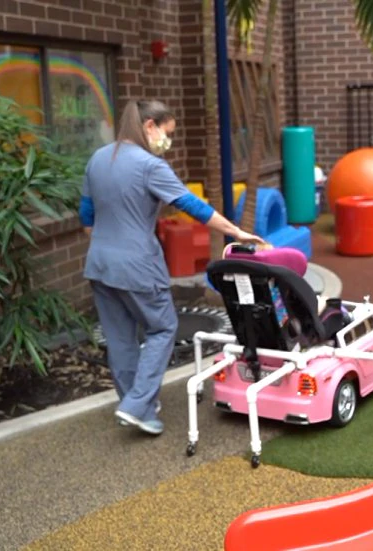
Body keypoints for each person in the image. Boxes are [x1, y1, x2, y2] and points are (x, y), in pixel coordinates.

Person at [79, 100, 265, 435]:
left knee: (119, 338)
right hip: (137, 265)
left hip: (100, 264)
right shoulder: (150, 166)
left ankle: (139, 405)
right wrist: (235, 232)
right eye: (167, 133)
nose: (168, 142)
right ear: (150, 126)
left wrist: (108, 244)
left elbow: (86, 218)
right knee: (162, 328)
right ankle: (137, 405)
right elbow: (191, 205)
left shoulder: (97, 158)